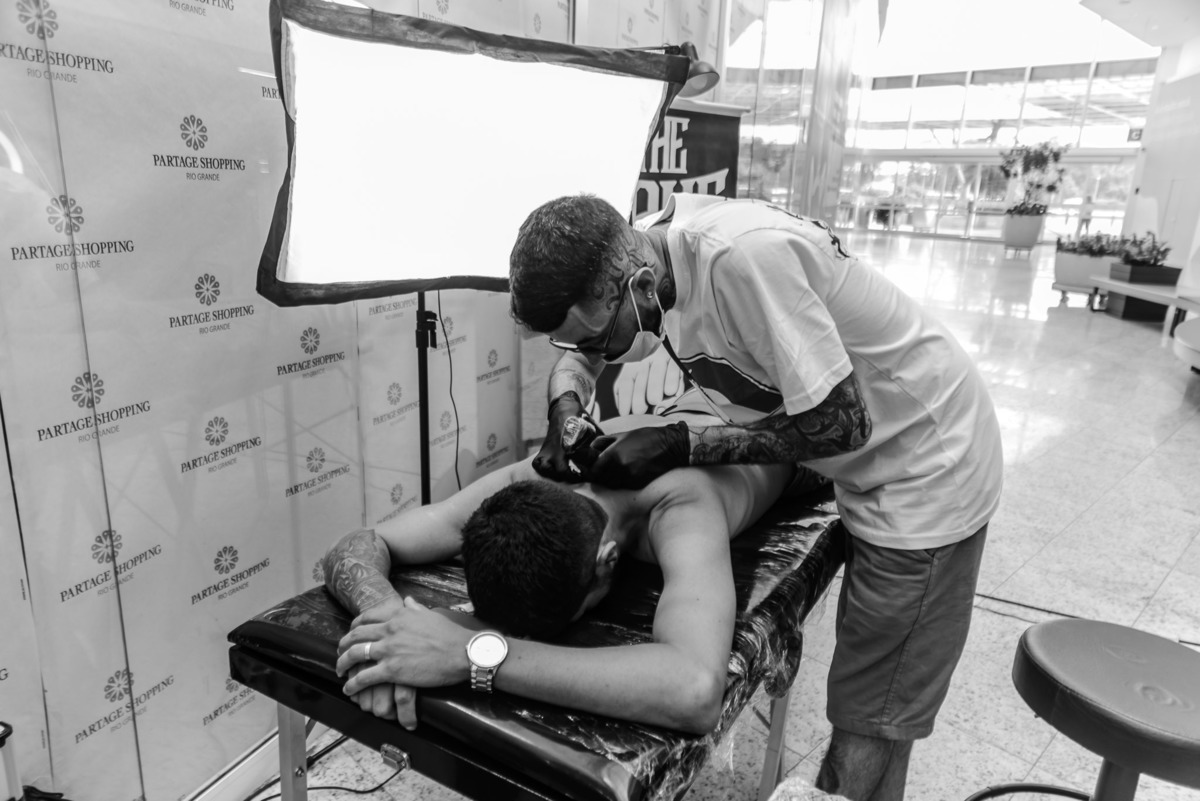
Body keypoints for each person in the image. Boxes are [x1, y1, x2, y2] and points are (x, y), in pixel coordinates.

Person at [507, 192, 1004, 801]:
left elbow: (845, 426)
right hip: (863, 457)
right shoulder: (638, 252)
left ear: (640, 286)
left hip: (923, 469)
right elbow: (582, 355)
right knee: (884, 710)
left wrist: (683, 443)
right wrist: (564, 408)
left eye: (601, 342)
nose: (599, 357)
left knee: (869, 719)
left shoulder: (744, 262)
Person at [326, 414, 804, 734]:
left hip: (785, 439)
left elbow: (695, 689)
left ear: (607, 561)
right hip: (684, 406)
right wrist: (389, 624)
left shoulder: (682, 506)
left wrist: (472, 653)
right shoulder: (537, 479)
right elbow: (359, 543)